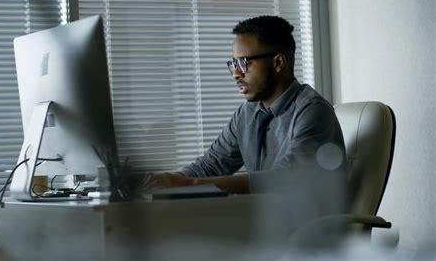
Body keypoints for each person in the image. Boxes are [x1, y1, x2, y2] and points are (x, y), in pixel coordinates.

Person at [144, 15, 347, 195]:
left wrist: (190, 184)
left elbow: (284, 180)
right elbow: (209, 167)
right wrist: (164, 182)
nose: (236, 73)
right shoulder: (247, 114)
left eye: (244, 63)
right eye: (233, 64)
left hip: (310, 230)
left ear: (278, 63)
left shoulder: (313, 111)